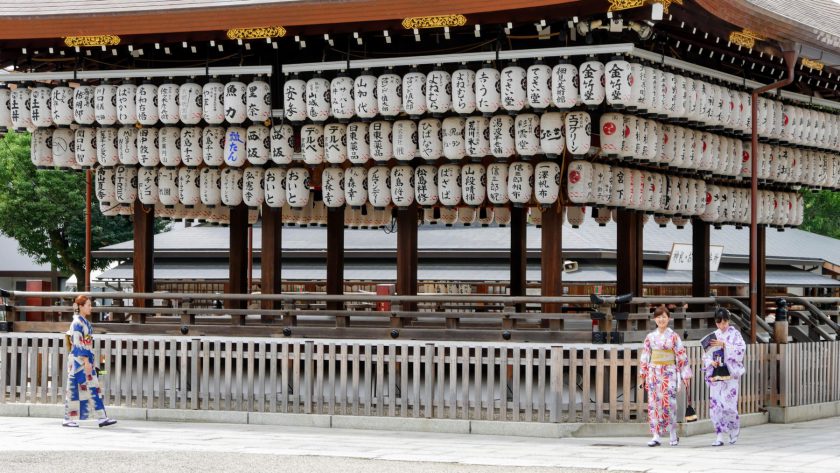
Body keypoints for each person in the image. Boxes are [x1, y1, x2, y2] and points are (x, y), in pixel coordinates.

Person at [639, 305, 692, 447]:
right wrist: (643, 375)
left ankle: (673, 433)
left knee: (670, 404)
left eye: (664, 317)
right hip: (654, 372)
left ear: (669, 318)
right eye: (659, 317)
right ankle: (656, 435)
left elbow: (681, 355)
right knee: (654, 404)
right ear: (654, 319)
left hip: (669, 372)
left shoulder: (674, 336)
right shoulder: (650, 337)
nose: (661, 319)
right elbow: (645, 356)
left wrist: (685, 375)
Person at [63, 295, 117, 428]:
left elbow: (85, 342)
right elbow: (78, 343)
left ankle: (100, 417)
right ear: (80, 307)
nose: (90, 307)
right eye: (88, 305)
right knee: (85, 388)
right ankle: (97, 417)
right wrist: (86, 361)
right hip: (79, 361)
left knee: (84, 388)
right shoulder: (77, 323)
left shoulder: (83, 321)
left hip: (81, 359)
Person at [704, 308, 746, 446]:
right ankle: (719, 435)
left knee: (729, 405)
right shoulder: (713, 336)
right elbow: (706, 355)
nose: (722, 326)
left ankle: (733, 430)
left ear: (728, 320)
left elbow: (741, 351)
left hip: (730, 374)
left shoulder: (735, 335)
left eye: (725, 322)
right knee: (716, 406)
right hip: (716, 374)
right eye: (719, 323)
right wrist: (711, 362)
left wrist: (725, 345)